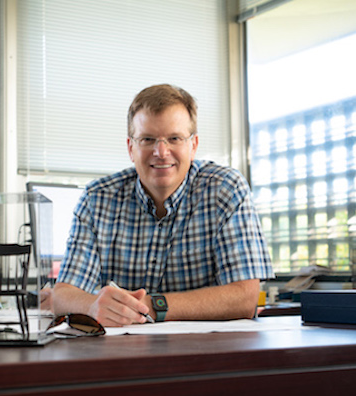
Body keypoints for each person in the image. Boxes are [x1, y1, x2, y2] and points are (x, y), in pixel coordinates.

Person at [43, 84, 274, 327]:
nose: (161, 152)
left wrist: (150, 306)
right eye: (147, 139)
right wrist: (92, 306)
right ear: (131, 148)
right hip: (119, 355)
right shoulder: (96, 199)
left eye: (174, 138)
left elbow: (245, 297)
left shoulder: (226, 189)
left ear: (193, 145)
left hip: (209, 355)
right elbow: (63, 294)